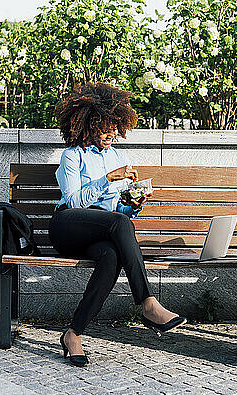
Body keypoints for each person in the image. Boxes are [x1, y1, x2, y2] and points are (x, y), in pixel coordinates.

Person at [49, 82, 186, 367]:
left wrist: (131, 205)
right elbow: (74, 203)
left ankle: (73, 334)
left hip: (103, 230)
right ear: (88, 124)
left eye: (114, 127)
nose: (110, 133)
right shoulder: (73, 156)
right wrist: (107, 179)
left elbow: (116, 210)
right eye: (103, 127)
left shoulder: (119, 157)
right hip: (68, 227)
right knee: (117, 223)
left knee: (111, 256)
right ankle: (147, 302)